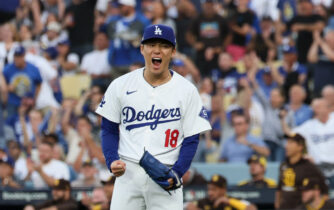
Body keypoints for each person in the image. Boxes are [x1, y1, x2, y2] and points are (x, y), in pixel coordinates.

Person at [95, 24, 211, 209]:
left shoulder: (187, 90)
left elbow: (192, 138)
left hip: (166, 173)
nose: (157, 50)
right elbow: (108, 128)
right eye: (151, 45)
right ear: (142, 49)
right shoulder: (120, 85)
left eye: (164, 46)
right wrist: (111, 160)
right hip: (128, 173)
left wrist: (177, 172)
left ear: (173, 51)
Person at [275, 133, 328, 209]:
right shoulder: (283, 165)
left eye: (290, 143)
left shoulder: (309, 166)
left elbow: (324, 190)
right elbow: (280, 187)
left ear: (300, 147)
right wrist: (277, 204)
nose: (286, 146)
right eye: (287, 142)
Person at [186, 174, 257, 210]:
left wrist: (229, 201)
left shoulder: (233, 201)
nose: (210, 193)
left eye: (214, 189)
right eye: (209, 189)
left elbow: (252, 208)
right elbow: (186, 206)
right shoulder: (203, 201)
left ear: (223, 190)